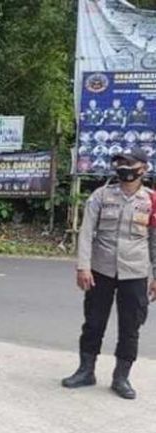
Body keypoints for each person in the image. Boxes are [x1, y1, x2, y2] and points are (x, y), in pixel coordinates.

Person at [63, 147, 156, 399]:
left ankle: (121, 377)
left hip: (135, 273)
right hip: (100, 270)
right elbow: (86, 231)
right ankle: (86, 371)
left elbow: (154, 240)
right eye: (121, 163)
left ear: (143, 169)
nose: (124, 167)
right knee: (93, 322)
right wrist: (83, 266)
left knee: (130, 327)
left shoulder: (151, 200)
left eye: (130, 163)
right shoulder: (101, 195)